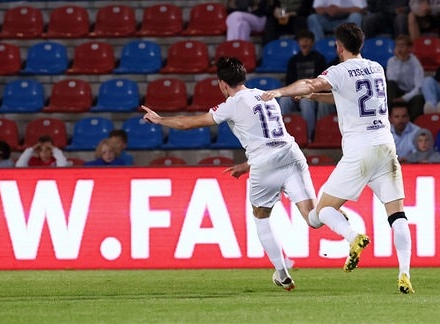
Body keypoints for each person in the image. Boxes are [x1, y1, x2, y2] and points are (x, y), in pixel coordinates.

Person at [143, 56, 358, 291]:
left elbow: (188, 124)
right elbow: (269, 137)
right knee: (313, 217)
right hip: (291, 154)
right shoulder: (267, 96)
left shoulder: (232, 104)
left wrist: (159, 119)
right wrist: (246, 165)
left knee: (261, 215)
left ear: (222, 84)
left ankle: (282, 274)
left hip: (265, 164)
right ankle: (351, 235)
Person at [261, 22, 415, 294]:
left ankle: (353, 236)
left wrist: (281, 92)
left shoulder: (338, 71)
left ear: (339, 46)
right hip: (386, 146)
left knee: (322, 212)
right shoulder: (377, 68)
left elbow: (311, 82)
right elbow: (349, 98)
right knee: (397, 214)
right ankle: (404, 274)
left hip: (360, 150)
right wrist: (316, 97)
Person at [279, 29, 334, 141]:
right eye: (302, 40)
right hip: (296, 93)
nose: (305, 42)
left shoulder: (319, 58)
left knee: (306, 102)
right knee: (284, 100)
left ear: (312, 42)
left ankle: (308, 136)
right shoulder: (293, 60)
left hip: (311, 94)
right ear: (298, 42)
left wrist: (307, 94)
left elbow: (320, 82)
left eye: (307, 40)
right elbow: (290, 82)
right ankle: (281, 135)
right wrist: (293, 93)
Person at [386, 34, 425, 121]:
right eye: (398, 46)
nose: (400, 49)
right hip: (397, 92)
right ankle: (389, 118)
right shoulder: (392, 61)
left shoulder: (415, 63)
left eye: (402, 46)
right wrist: (400, 61)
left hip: (411, 93)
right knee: (390, 85)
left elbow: (419, 87)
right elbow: (392, 79)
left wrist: (404, 98)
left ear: (409, 48)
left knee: (419, 98)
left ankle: (411, 123)